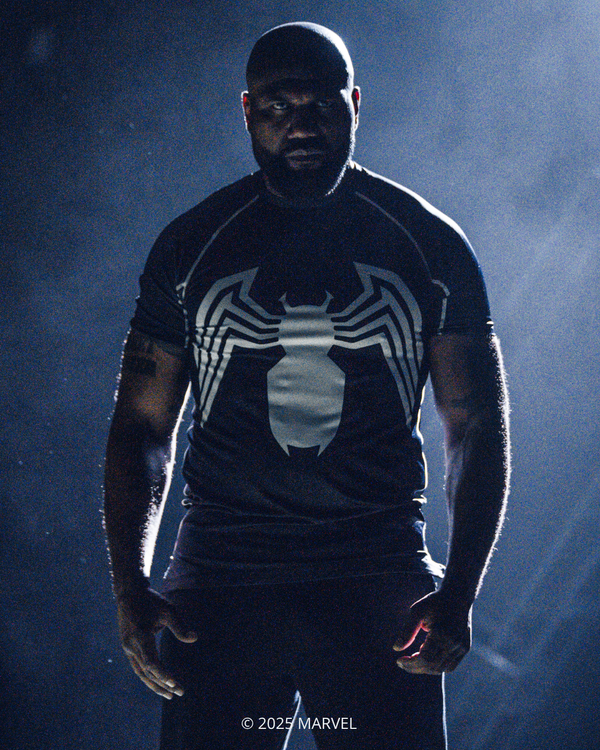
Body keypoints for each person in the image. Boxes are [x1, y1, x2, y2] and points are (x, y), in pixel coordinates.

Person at [103, 22, 510, 750]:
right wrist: (131, 585)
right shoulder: (191, 246)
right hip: (224, 580)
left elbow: (476, 424)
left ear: (354, 103)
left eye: (321, 104)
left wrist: (460, 593)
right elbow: (142, 428)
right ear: (247, 111)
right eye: (278, 106)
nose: (301, 125)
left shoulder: (428, 243)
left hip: (377, 579)